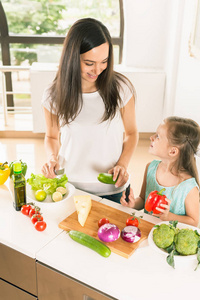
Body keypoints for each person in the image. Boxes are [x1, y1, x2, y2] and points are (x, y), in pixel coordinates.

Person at [41, 18, 138, 203]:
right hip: (70, 188)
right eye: (89, 63)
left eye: (104, 61)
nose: (98, 69)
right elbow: (52, 137)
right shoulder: (53, 94)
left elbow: (132, 133)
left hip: (113, 188)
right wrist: (52, 158)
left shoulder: (121, 88)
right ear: (72, 57)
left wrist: (122, 165)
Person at [120, 116, 200, 227]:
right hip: (148, 231)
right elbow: (143, 200)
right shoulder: (151, 168)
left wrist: (169, 217)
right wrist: (132, 204)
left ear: (172, 151)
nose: (151, 137)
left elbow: (194, 221)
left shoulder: (188, 187)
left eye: (157, 136)